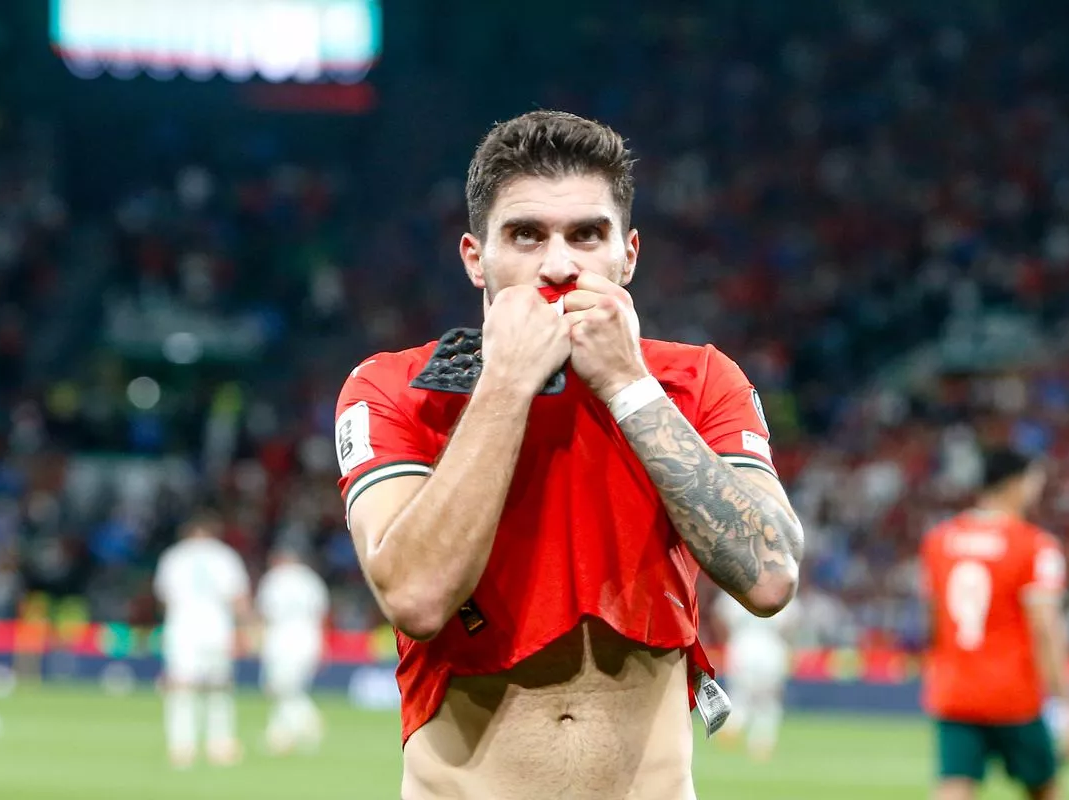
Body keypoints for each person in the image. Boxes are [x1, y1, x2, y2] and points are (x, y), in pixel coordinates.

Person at [334, 110, 804, 799]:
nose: (558, 264)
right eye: (525, 235)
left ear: (629, 254)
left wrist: (627, 384)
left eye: (587, 234)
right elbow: (415, 596)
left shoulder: (699, 382)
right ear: (476, 257)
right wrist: (506, 383)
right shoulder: (393, 390)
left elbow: (769, 578)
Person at [920, 448, 1069, 800]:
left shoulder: (940, 540)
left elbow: (932, 618)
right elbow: (1047, 629)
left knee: (954, 785)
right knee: (1043, 788)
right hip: (1014, 694)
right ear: (1015, 484)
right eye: (1033, 480)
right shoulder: (1035, 546)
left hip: (955, 690)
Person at [153, 512, 251, 769]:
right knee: (218, 687)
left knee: (181, 687)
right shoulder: (224, 556)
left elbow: (163, 597)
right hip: (215, 626)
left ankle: (181, 746)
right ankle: (220, 744)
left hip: (182, 626)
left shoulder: (174, 556)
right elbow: (238, 597)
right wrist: (245, 630)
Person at [256, 544, 330, 755]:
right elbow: (322, 614)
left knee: (281, 688)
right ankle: (280, 735)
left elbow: (265, 614)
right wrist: (323, 645)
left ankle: (309, 718)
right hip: (308, 639)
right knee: (290, 688)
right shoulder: (311, 580)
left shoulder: (274, 579)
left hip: (281, 639)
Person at [712, 590, 800, 760]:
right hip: (771, 650)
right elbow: (791, 625)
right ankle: (760, 741)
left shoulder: (737, 586)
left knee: (741, 695)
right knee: (767, 699)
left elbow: (719, 615)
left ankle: (732, 728)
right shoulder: (782, 584)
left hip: (742, 649)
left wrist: (728, 640)